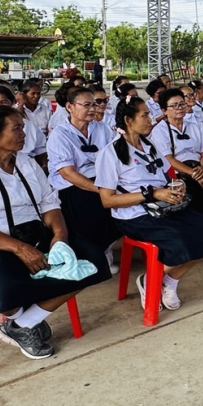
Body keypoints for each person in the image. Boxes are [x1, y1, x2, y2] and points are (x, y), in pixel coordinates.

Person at [0, 107, 109, 360]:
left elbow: (49, 204)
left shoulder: (26, 162)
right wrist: (20, 249)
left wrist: (59, 237)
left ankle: (22, 324)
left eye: (23, 127)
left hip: (30, 232)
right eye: (17, 128)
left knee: (92, 260)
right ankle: (22, 319)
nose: (24, 134)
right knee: (4, 283)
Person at [95, 96, 203, 309]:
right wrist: (151, 194)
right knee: (180, 242)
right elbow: (107, 200)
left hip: (163, 208)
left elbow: (166, 176)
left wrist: (176, 186)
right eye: (145, 115)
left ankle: (170, 281)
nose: (151, 119)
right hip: (135, 215)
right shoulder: (110, 153)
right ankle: (149, 280)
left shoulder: (149, 145)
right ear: (129, 120)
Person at [47, 87, 120, 275]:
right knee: (91, 203)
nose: (92, 109)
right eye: (86, 105)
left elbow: (115, 157)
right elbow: (68, 173)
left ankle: (106, 246)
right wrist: (102, 190)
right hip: (71, 185)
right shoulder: (60, 134)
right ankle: (95, 253)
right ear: (70, 107)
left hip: (101, 179)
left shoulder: (102, 129)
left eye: (94, 104)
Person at [152, 87, 203, 219]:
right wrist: (194, 174)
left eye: (182, 104)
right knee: (194, 190)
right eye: (174, 105)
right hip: (177, 172)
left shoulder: (193, 125)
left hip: (199, 167)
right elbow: (169, 160)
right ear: (164, 111)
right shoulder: (160, 131)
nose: (180, 108)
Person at [0, 85, 46, 168]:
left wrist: (44, 167)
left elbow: (41, 150)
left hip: (26, 167)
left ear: (12, 103)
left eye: (4, 102)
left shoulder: (27, 124)